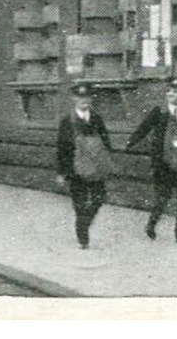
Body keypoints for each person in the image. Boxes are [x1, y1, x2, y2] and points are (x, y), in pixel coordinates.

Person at [127, 78, 177, 244]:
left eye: (174, 91)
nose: (170, 94)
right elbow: (143, 128)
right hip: (163, 163)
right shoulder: (159, 111)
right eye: (169, 91)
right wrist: (130, 142)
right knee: (163, 198)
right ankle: (151, 225)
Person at [56, 84, 114, 250]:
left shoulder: (97, 119)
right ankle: (83, 237)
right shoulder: (67, 121)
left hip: (96, 168)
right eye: (80, 98)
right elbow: (62, 148)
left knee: (98, 198)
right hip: (76, 170)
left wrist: (106, 162)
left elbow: (106, 142)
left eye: (87, 98)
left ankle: (84, 222)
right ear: (74, 99)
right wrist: (61, 172)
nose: (84, 101)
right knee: (80, 203)